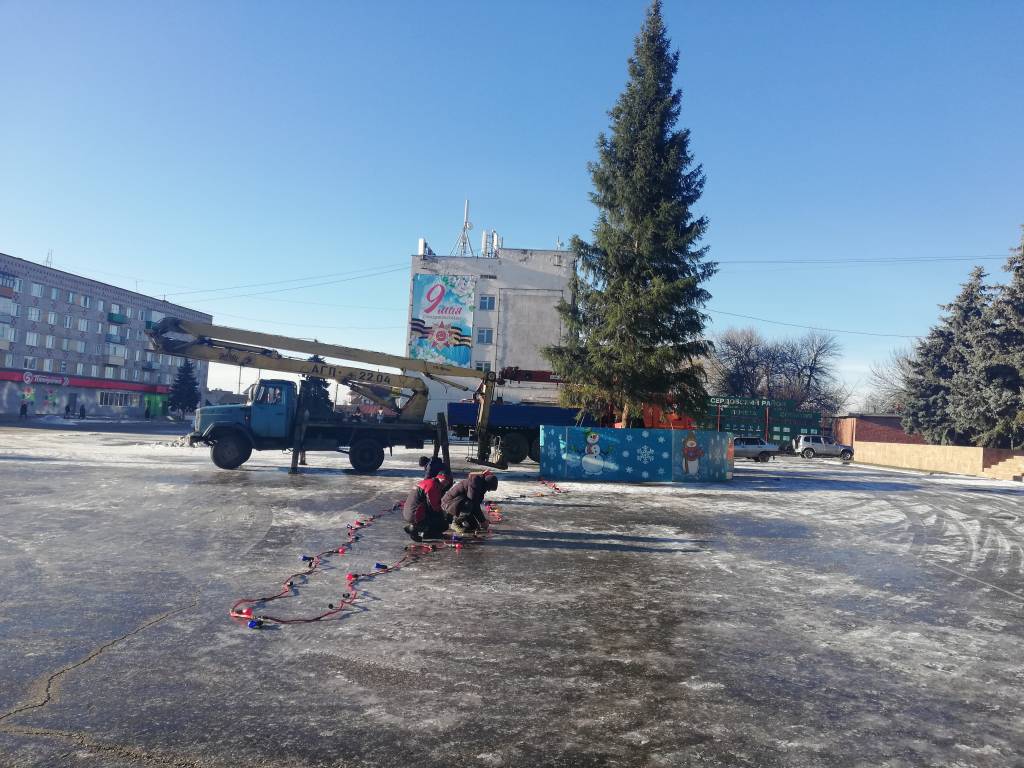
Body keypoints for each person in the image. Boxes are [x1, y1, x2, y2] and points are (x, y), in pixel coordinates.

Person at [402, 470, 453, 542]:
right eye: (445, 481)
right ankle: (418, 529)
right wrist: (444, 516)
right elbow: (434, 507)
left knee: (437, 519)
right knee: (443, 525)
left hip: (409, 513)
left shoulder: (428, 482)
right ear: (440, 478)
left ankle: (421, 528)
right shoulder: (433, 485)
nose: (446, 484)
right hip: (415, 515)